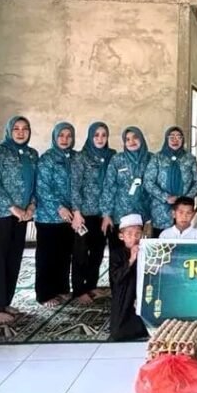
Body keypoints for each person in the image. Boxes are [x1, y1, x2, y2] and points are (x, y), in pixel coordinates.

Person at [0, 115, 38, 325]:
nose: (21, 133)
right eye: (16, 129)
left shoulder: (31, 154)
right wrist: (13, 207)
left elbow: (36, 183)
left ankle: (4, 302)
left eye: (25, 129)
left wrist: (31, 206)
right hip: (0, 214)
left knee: (13, 259)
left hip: (22, 215)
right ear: (9, 131)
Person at [70, 121, 116, 304]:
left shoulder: (111, 156)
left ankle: (91, 285)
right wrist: (76, 211)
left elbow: (112, 185)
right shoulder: (81, 157)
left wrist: (107, 213)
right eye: (96, 135)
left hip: (103, 214)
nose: (100, 138)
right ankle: (79, 290)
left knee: (97, 252)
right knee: (81, 253)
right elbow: (75, 186)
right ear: (90, 136)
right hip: (84, 214)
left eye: (103, 135)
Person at [34, 122, 76, 307]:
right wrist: (59, 207)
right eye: (61, 136)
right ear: (55, 137)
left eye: (68, 136)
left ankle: (62, 288)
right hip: (49, 217)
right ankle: (44, 294)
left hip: (69, 217)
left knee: (64, 255)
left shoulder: (75, 157)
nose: (65, 139)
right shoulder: (47, 158)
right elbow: (42, 187)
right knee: (47, 256)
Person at [144, 126, 197, 236]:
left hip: (183, 212)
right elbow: (148, 181)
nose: (175, 140)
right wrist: (166, 197)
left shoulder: (190, 158)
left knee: (183, 239)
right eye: (172, 137)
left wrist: (184, 200)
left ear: (183, 140)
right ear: (166, 139)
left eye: (179, 137)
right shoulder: (157, 158)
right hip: (161, 210)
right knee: (161, 241)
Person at [101, 127, 151, 235]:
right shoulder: (117, 159)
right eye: (127, 139)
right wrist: (106, 214)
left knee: (142, 245)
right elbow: (109, 187)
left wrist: (152, 218)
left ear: (141, 139)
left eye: (135, 137)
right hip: (121, 215)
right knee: (119, 245)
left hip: (145, 216)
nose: (131, 141)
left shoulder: (151, 159)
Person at [108, 213, 148, 342]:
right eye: (129, 234)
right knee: (118, 332)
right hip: (124, 295)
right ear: (121, 236)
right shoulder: (117, 254)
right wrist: (131, 259)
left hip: (142, 292)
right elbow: (116, 278)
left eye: (137, 234)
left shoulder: (147, 251)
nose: (134, 238)